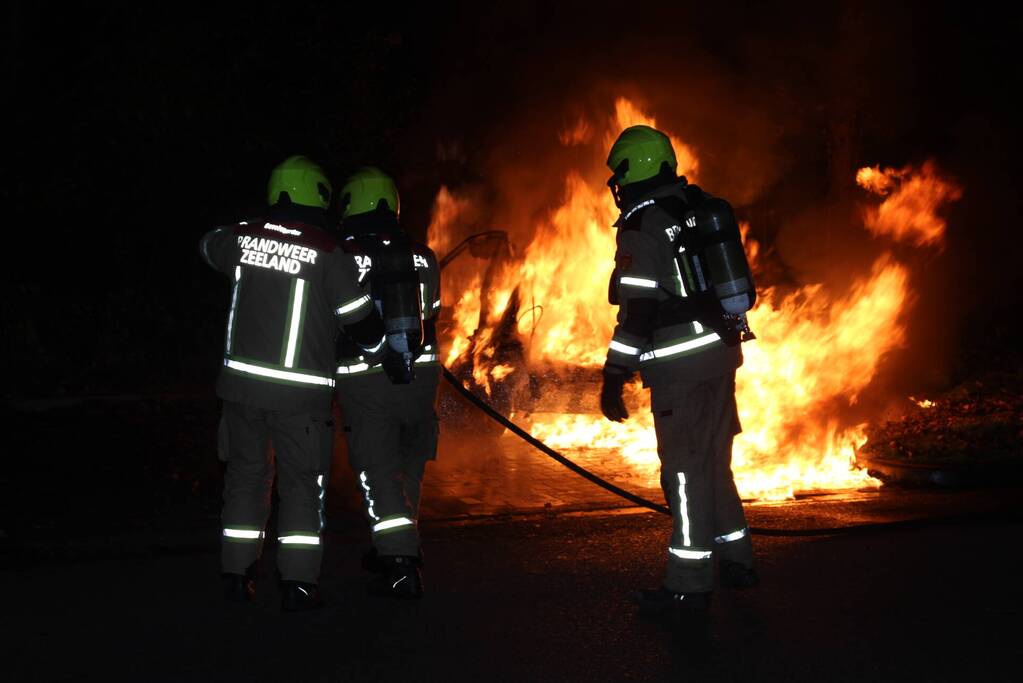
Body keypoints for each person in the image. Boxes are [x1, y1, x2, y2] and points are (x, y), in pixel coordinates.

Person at [200, 155, 385, 611]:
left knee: (244, 479)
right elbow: (365, 327)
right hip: (300, 399)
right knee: (301, 487)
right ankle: (298, 585)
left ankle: (235, 575)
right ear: (319, 195)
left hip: (240, 392)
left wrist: (254, 229)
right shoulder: (328, 253)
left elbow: (208, 244)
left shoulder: (242, 240)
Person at [600, 125, 759, 620]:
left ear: (634, 169)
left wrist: (614, 372)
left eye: (618, 175)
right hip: (721, 353)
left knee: (685, 476)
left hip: (680, 369)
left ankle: (688, 587)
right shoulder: (699, 208)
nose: (617, 186)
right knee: (714, 464)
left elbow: (639, 312)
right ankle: (737, 559)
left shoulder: (644, 225)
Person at [333, 167, 441, 599]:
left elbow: (336, 317)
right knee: (407, 466)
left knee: (379, 471)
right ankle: (393, 545)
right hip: (421, 378)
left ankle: (400, 564)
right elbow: (431, 312)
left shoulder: (344, 255)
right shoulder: (424, 256)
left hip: (368, 379)